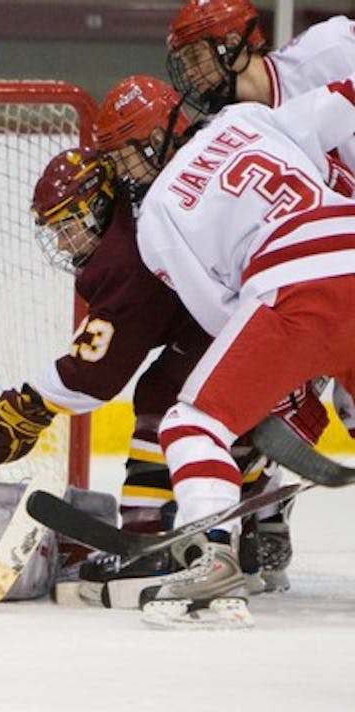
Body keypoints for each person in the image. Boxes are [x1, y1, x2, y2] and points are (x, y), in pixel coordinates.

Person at [0, 147, 326, 605]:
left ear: (96, 209)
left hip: (269, 317)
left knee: (165, 397)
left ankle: (151, 538)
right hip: (284, 311)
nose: (61, 242)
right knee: (198, 398)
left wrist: (30, 403)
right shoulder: (143, 211)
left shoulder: (123, 255)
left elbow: (99, 373)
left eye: (66, 226)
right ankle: (257, 539)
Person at [93, 72, 355, 625]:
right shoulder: (245, 118)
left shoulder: (159, 214)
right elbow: (342, 101)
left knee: (193, 422)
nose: (124, 173)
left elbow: (224, 315)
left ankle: (213, 561)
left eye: (125, 157)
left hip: (296, 280)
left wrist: (278, 391)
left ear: (151, 142)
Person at [166, 1, 355, 189]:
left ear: (232, 44)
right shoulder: (237, 128)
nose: (188, 73)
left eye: (195, 56)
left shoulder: (327, 46)